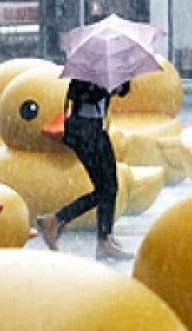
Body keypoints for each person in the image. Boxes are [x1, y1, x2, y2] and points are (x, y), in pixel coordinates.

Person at [37, 78, 132, 261]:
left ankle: (104, 238)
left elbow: (123, 90)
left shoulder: (106, 68)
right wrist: (105, 87)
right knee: (107, 188)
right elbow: (81, 94)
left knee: (109, 187)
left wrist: (118, 85)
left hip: (96, 129)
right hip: (85, 130)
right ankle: (58, 220)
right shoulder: (86, 71)